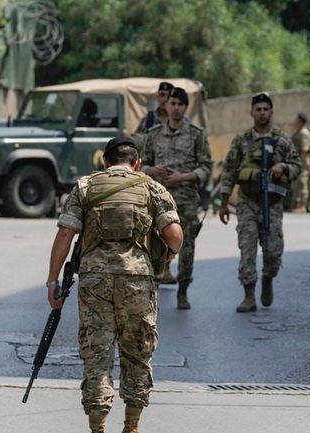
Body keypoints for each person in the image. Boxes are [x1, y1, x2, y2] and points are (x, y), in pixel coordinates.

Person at [47, 136, 183, 433]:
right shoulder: (152, 187)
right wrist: (167, 256)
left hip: (94, 280)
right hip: (137, 280)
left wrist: (53, 281)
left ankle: (98, 427)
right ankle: (131, 426)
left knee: (97, 354)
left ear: (105, 161)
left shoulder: (86, 186)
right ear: (137, 163)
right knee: (137, 353)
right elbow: (174, 234)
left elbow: (65, 235)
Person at [218, 92, 301, 313]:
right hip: (247, 202)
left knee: (273, 251)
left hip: (272, 203)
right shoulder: (242, 140)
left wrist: (283, 167)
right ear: (252, 113)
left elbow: (297, 166)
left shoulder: (282, 140)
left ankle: (267, 278)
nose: (262, 113)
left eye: (266, 109)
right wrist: (224, 202)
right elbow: (229, 171)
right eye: (258, 109)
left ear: (271, 112)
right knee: (247, 249)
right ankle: (248, 296)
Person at [142, 87, 212, 309]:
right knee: (154, 244)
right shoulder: (153, 135)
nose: (176, 108)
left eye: (180, 104)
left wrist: (183, 177)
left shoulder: (196, 134)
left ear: (185, 107)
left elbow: (206, 168)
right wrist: (152, 170)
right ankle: (153, 288)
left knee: (187, 246)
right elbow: (140, 165)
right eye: (172, 103)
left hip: (186, 201)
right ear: (166, 105)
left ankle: (183, 291)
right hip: (158, 202)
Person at [290, 112, 310, 212]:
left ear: (300, 121)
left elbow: (304, 150)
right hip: (297, 162)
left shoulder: (303, 133)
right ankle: (297, 205)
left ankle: (302, 206)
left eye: (296, 120)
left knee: (302, 183)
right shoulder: (298, 132)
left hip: (301, 162)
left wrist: (300, 164)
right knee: (296, 184)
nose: (294, 121)